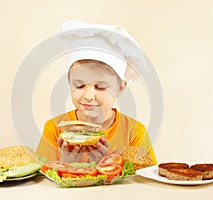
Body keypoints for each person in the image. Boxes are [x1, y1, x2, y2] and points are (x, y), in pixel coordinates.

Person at [36, 19, 157, 164]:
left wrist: (107, 167)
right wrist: (66, 162)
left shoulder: (134, 132)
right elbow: (42, 179)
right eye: (79, 86)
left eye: (100, 87)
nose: (88, 96)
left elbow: (143, 181)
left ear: (120, 88)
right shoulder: (54, 129)